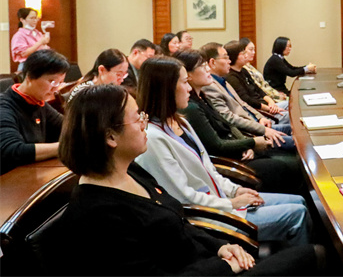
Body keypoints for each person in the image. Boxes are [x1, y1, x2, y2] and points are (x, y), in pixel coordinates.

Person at [57, 84, 320, 276]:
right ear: (110, 137)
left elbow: (181, 222)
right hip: (210, 272)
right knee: (315, 255)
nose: (144, 124)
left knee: (313, 251)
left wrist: (221, 247)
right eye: (137, 118)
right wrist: (223, 266)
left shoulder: (131, 171)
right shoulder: (96, 215)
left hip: (210, 261)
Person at [134, 56, 311, 245]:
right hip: (212, 218)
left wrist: (236, 190)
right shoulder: (154, 139)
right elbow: (183, 197)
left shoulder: (181, 122)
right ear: (166, 89)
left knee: (300, 201)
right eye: (184, 82)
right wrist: (231, 203)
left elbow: (209, 169)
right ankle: (304, 257)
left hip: (222, 201)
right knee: (297, 214)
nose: (189, 88)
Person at [173, 50, 298, 191]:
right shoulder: (191, 108)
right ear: (188, 75)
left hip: (240, 146)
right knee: (288, 164)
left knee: (293, 153)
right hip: (231, 160)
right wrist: (251, 143)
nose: (208, 69)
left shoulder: (202, 97)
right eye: (202, 66)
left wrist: (246, 143)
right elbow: (216, 146)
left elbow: (229, 124)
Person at [201, 43, 293, 139]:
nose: (229, 61)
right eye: (225, 58)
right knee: (295, 134)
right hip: (250, 133)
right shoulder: (212, 86)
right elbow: (229, 117)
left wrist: (260, 118)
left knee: (296, 129)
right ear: (212, 62)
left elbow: (243, 103)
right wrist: (261, 127)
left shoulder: (224, 80)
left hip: (257, 122)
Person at [0, 49, 69, 174]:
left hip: (30, 173)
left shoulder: (37, 102)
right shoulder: (4, 106)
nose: (56, 89)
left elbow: (68, 127)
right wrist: (66, 147)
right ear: (30, 77)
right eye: (52, 82)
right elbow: (12, 150)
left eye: (59, 83)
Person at [226, 41, 287, 120]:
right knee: (291, 114)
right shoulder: (231, 77)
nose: (246, 56)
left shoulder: (243, 70)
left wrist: (271, 102)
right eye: (243, 54)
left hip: (267, 105)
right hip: (260, 112)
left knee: (291, 105)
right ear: (234, 56)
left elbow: (258, 89)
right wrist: (269, 108)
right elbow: (247, 100)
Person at [10, 8, 51, 72]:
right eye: (32, 18)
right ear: (22, 20)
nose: (35, 20)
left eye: (36, 18)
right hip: (28, 65)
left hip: (41, 64)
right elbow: (24, 53)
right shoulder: (19, 35)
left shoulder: (38, 33)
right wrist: (40, 42)